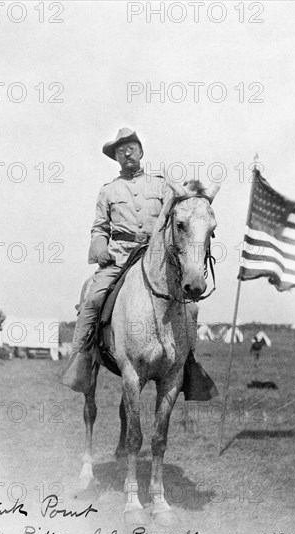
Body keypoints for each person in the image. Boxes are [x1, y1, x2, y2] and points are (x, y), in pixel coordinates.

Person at [60, 128, 196, 393]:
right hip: (119, 257)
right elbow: (99, 228)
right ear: (116, 158)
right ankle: (81, 360)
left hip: (155, 259)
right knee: (93, 299)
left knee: (189, 307)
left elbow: (179, 213)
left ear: (141, 151)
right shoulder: (109, 191)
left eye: (131, 147)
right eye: (120, 150)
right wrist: (100, 246)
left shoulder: (160, 185)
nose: (126, 152)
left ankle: (188, 365)